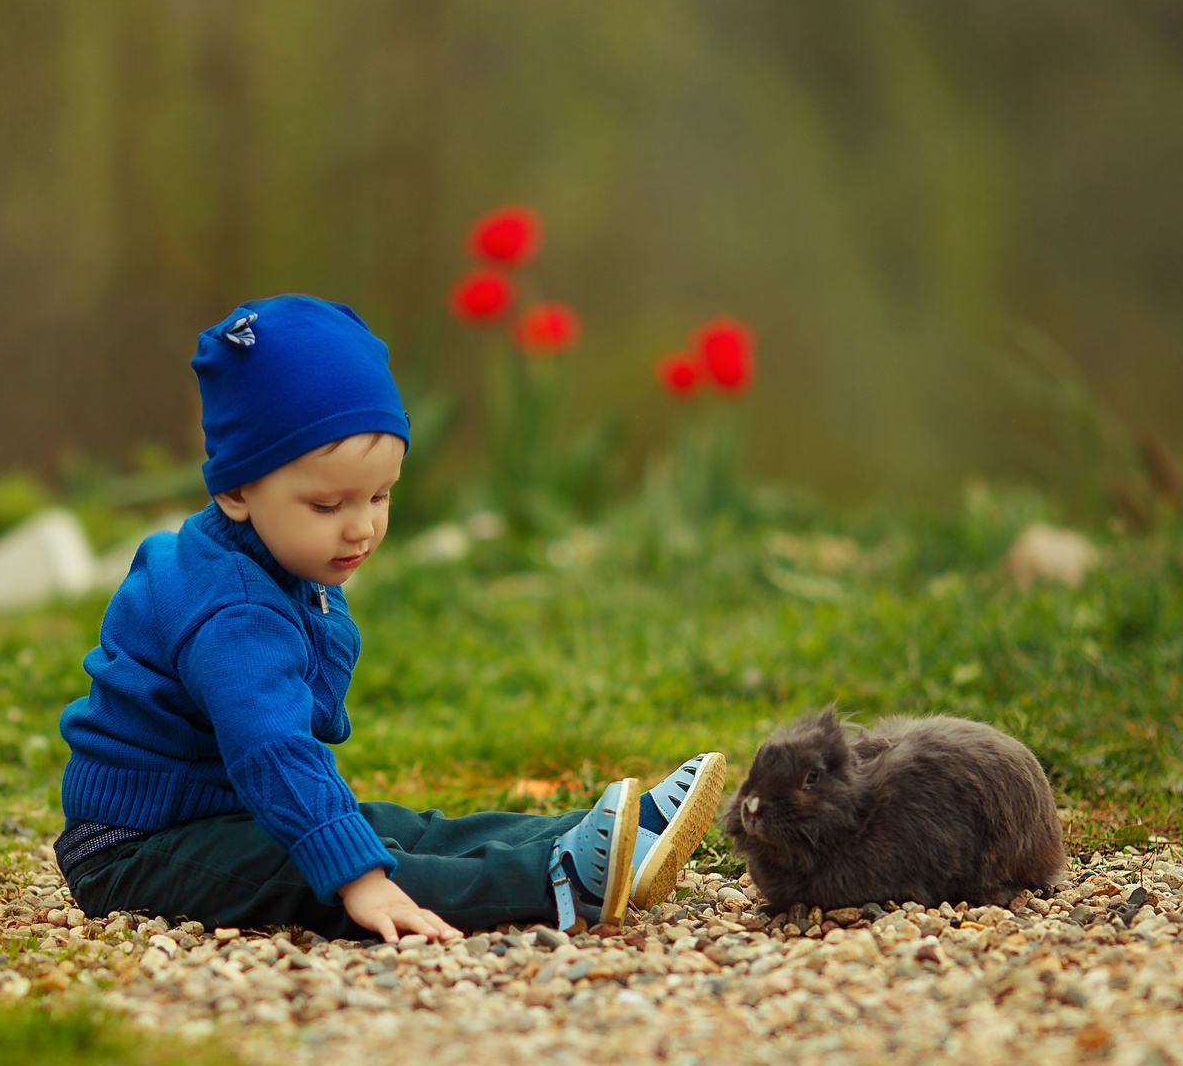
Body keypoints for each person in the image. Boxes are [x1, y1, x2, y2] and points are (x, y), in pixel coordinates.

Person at [55, 295, 725, 943]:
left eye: (380, 496)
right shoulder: (232, 608)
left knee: (404, 828)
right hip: (138, 848)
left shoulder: (279, 557)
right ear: (235, 491)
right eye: (328, 505)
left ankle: (609, 834)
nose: (362, 528)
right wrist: (359, 877)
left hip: (225, 812)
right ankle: (555, 877)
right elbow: (273, 748)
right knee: (334, 864)